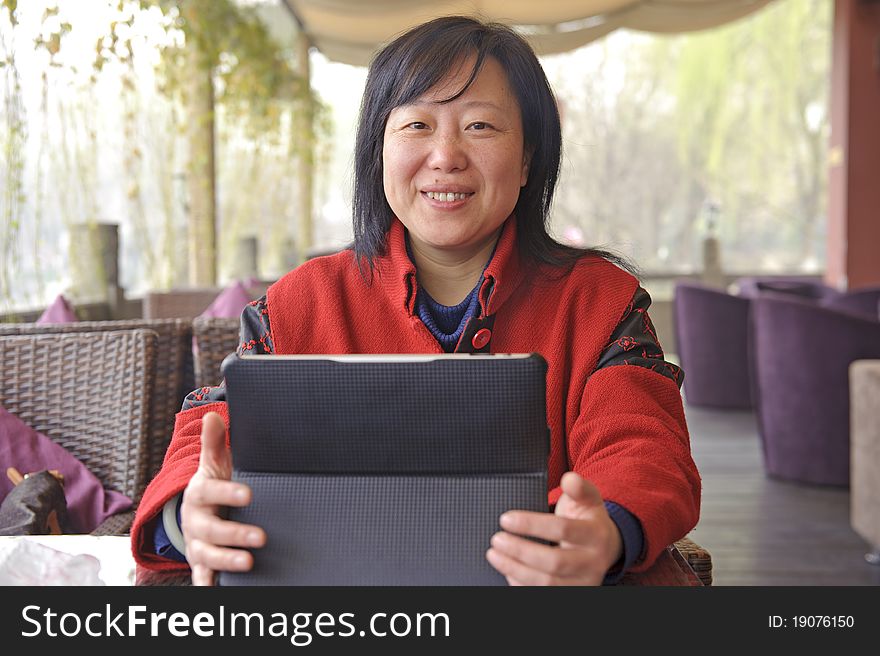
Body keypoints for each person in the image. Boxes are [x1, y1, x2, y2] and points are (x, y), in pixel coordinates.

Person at [131, 15, 700, 586]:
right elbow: (212, 431)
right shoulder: (300, 302)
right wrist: (189, 513)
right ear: (378, 152)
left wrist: (605, 530)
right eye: (417, 125)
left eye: (480, 126)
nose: (446, 154)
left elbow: (643, 440)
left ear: (528, 159)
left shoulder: (600, 299)